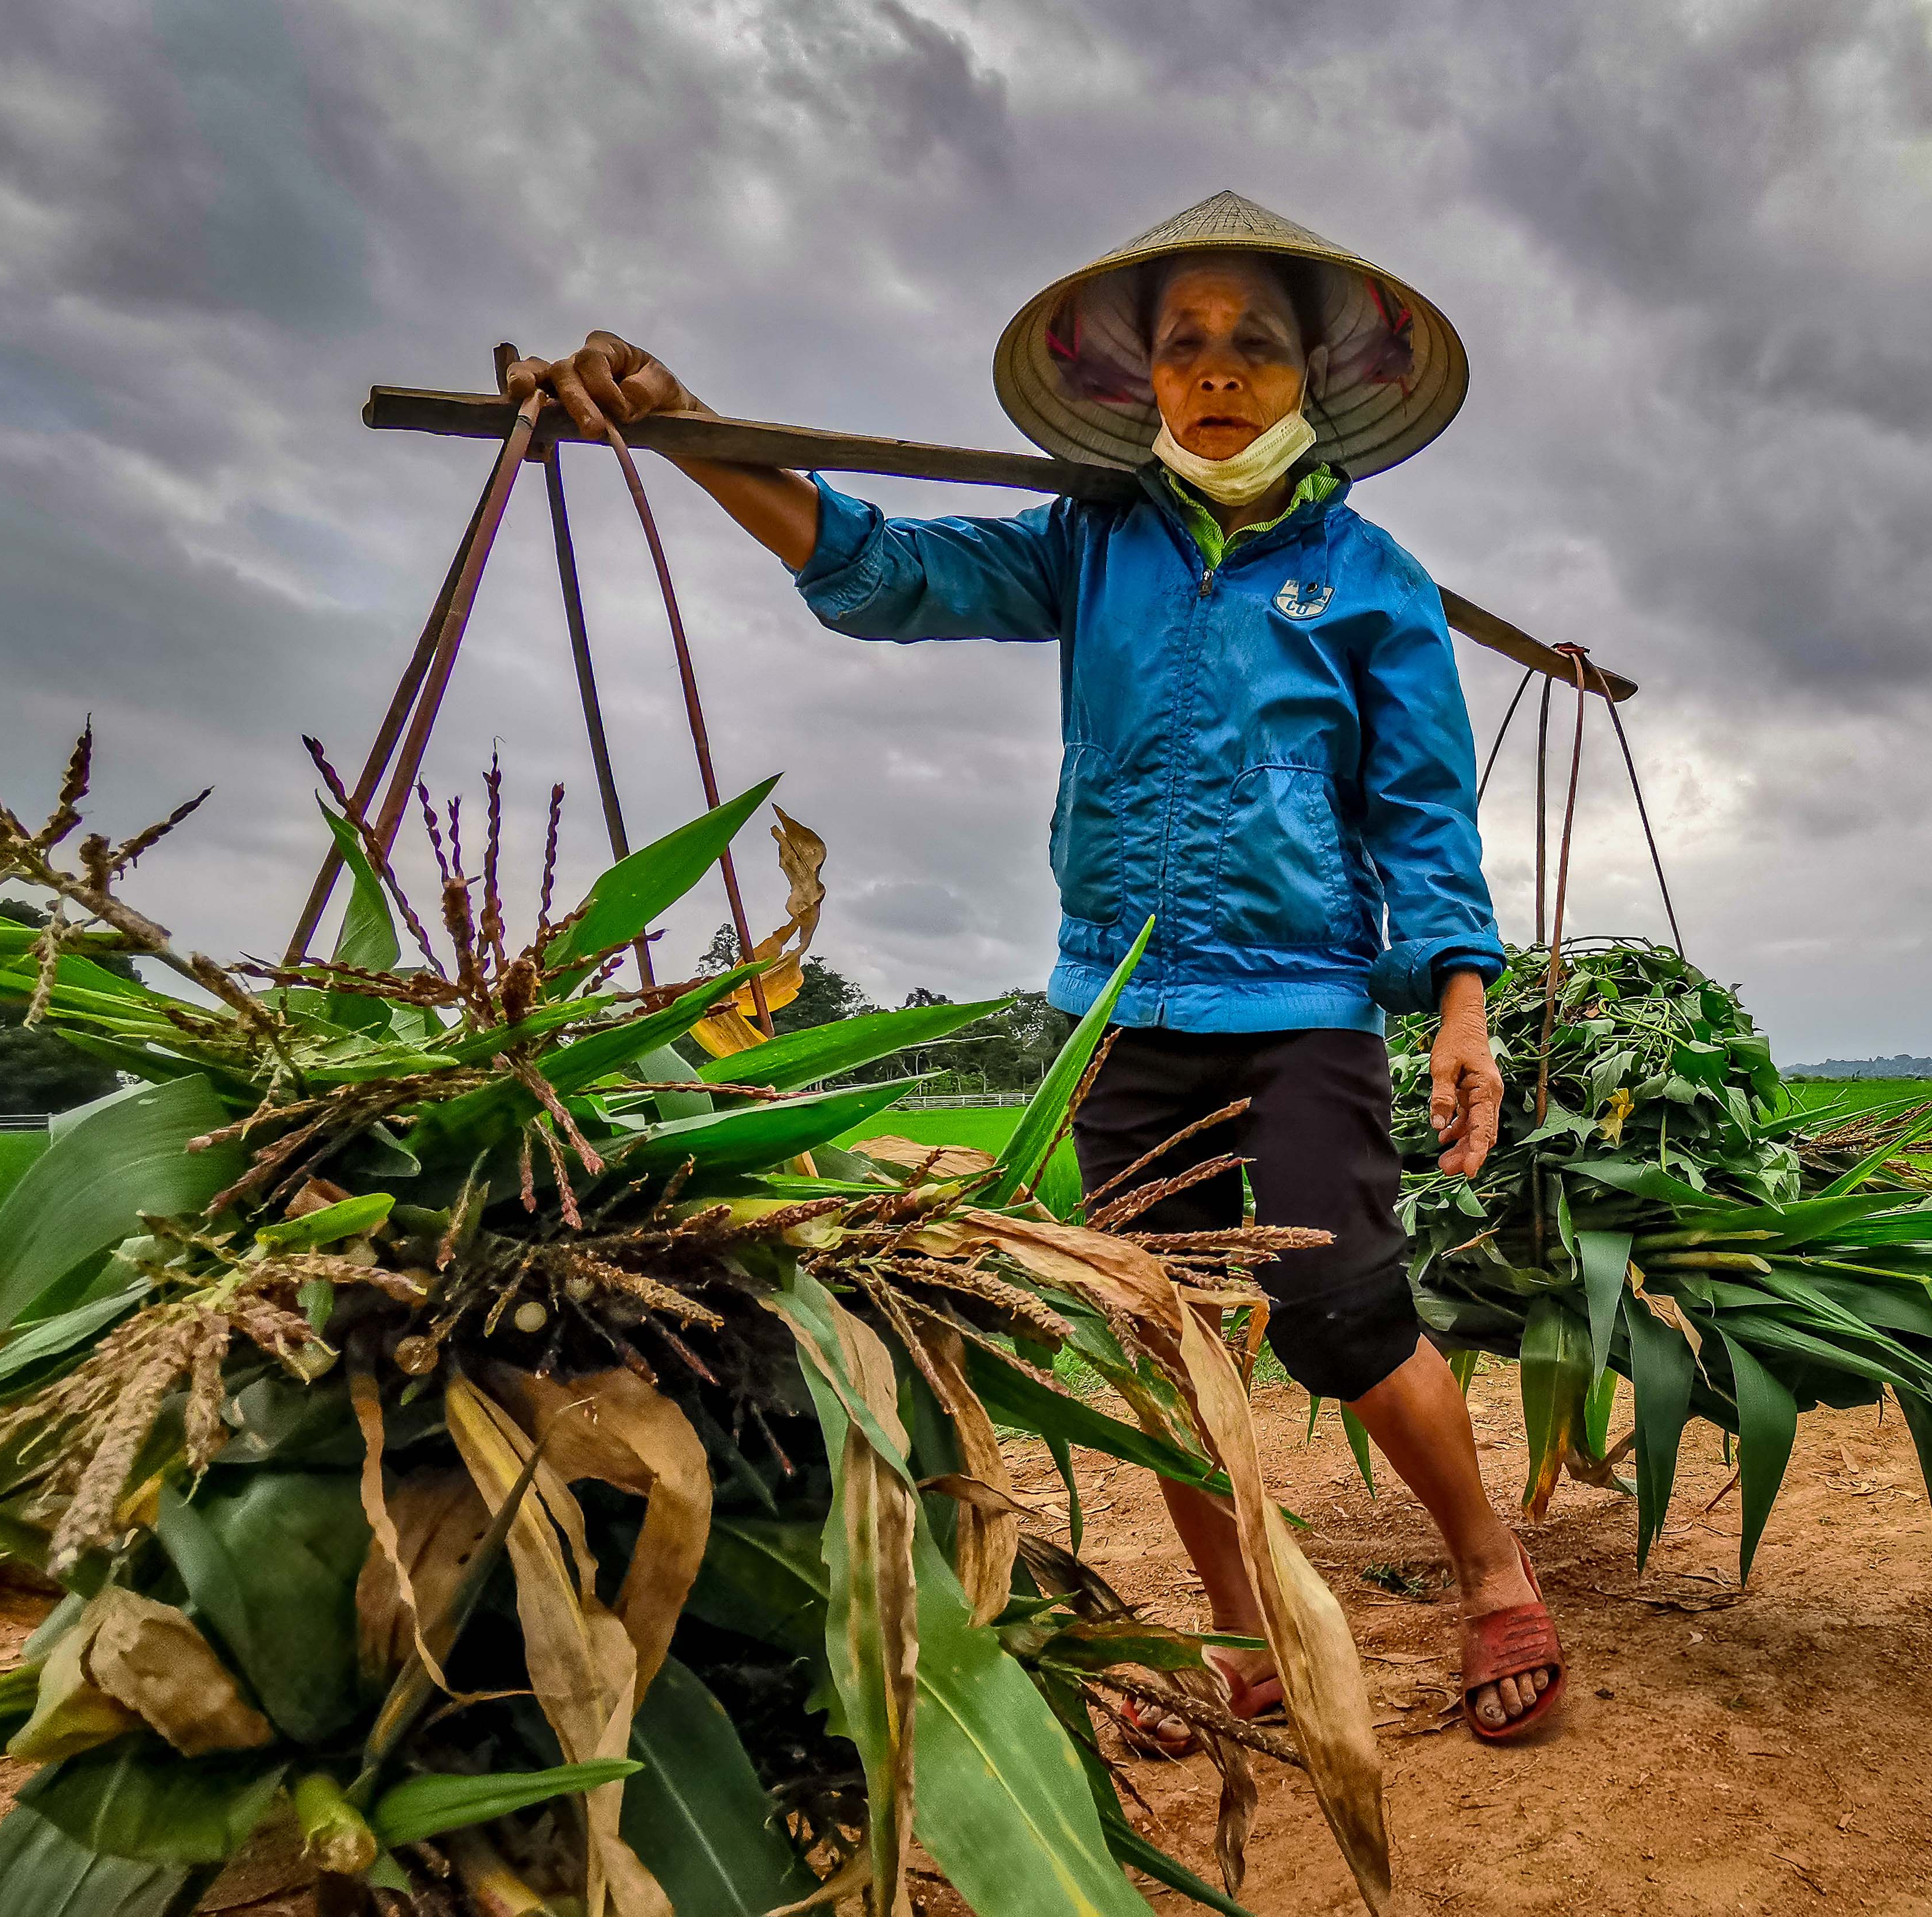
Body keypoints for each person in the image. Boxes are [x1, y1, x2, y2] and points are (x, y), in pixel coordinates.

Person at [504, 192, 1563, 1742]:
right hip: (1118, 1008)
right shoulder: (1091, 543)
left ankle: (1487, 1567)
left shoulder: (1372, 581)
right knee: (1159, 1337)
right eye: (1185, 345)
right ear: (1143, 382)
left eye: (1252, 345)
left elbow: (1422, 811)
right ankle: (1240, 1624)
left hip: (1302, 1006)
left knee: (1342, 1311)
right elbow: (885, 572)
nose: (1216, 371)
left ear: (1313, 380)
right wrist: (688, 431)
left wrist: (1461, 1003)